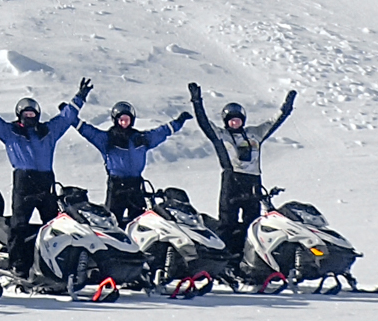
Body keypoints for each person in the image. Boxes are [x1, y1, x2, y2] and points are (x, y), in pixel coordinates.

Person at [0, 77, 91, 274]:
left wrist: (80, 96)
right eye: (26, 114)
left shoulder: (49, 131)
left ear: (37, 115)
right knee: (18, 225)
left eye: (32, 114)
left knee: (54, 225)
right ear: (19, 116)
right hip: (23, 182)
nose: (29, 117)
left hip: (45, 182)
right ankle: (17, 264)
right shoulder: (10, 132)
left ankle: (55, 263)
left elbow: (66, 117)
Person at [188, 82, 298, 255]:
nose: (235, 122)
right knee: (227, 223)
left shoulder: (255, 133)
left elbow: (274, 122)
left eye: (238, 119)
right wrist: (196, 101)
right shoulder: (221, 135)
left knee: (252, 224)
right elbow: (204, 123)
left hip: (253, 181)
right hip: (231, 182)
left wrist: (287, 107)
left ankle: (248, 257)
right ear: (226, 121)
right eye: (231, 119)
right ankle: (223, 258)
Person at [76, 100, 192, 225]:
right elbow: (88, 132)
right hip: (116, 186)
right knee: (112, 221)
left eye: (127, 119)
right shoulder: (107, 139)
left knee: (140, 221)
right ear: (115, 120)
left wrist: (179, 121)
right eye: (121, 120)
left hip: (135, 185)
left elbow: (161, 132)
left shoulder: (140, 138)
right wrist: (71, 118)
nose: (124, 123)